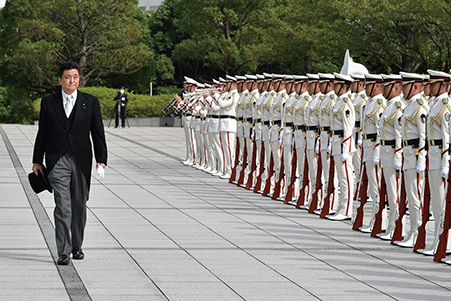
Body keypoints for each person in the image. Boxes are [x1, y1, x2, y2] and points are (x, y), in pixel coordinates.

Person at [32, 61, 107, 265]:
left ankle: (77, 246)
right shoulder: (48, 102)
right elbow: (43, 133)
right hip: (57, 160)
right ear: (60, 80)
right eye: (67, 77)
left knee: (79, 206)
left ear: (79, 79)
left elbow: (98, 133)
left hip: (81, 160)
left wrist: (102, 159)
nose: (71, 80)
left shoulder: (90, 102)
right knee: (63, 207)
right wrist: (37, 161)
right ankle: (63, 251)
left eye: (75, 76)